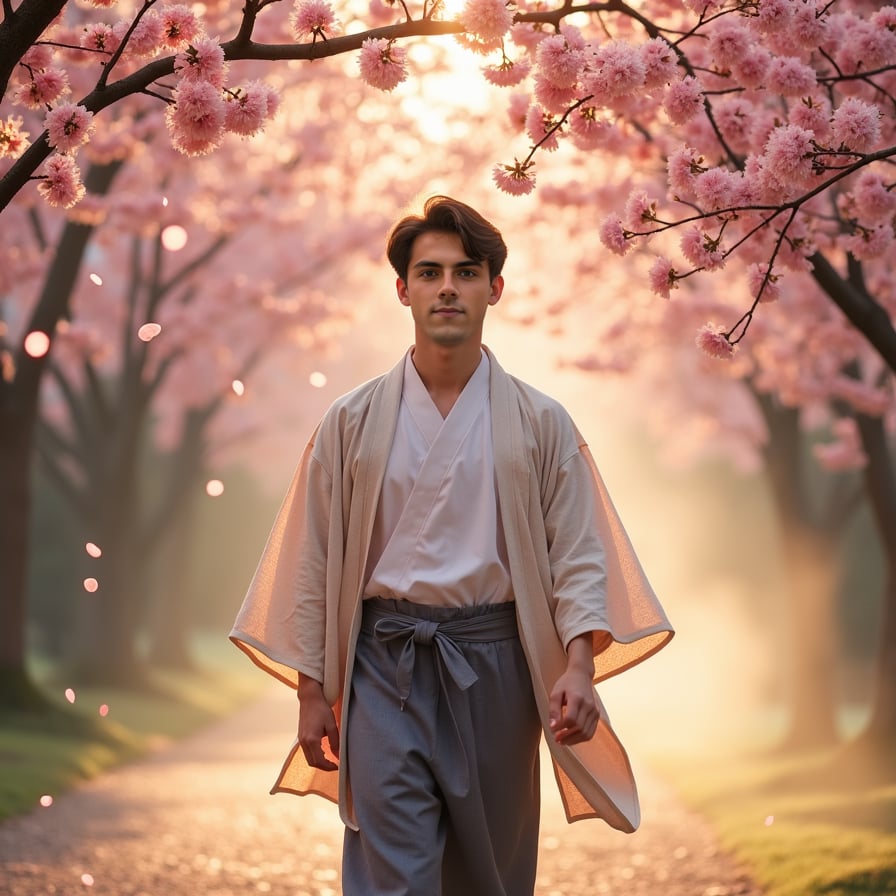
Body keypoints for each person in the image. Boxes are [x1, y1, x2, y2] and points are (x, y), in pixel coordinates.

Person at [230, 196, 673, 896]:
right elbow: (311, 559)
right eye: (428, 272)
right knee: (393, 872)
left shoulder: (541, 423)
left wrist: (580, 665)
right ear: (401, 289)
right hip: (383, 664)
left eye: (466, 273)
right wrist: (313, 692)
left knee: (487, 875)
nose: (446, 288)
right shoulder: (350, 421)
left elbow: (578, 553)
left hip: (497, 665)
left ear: (494, 288)